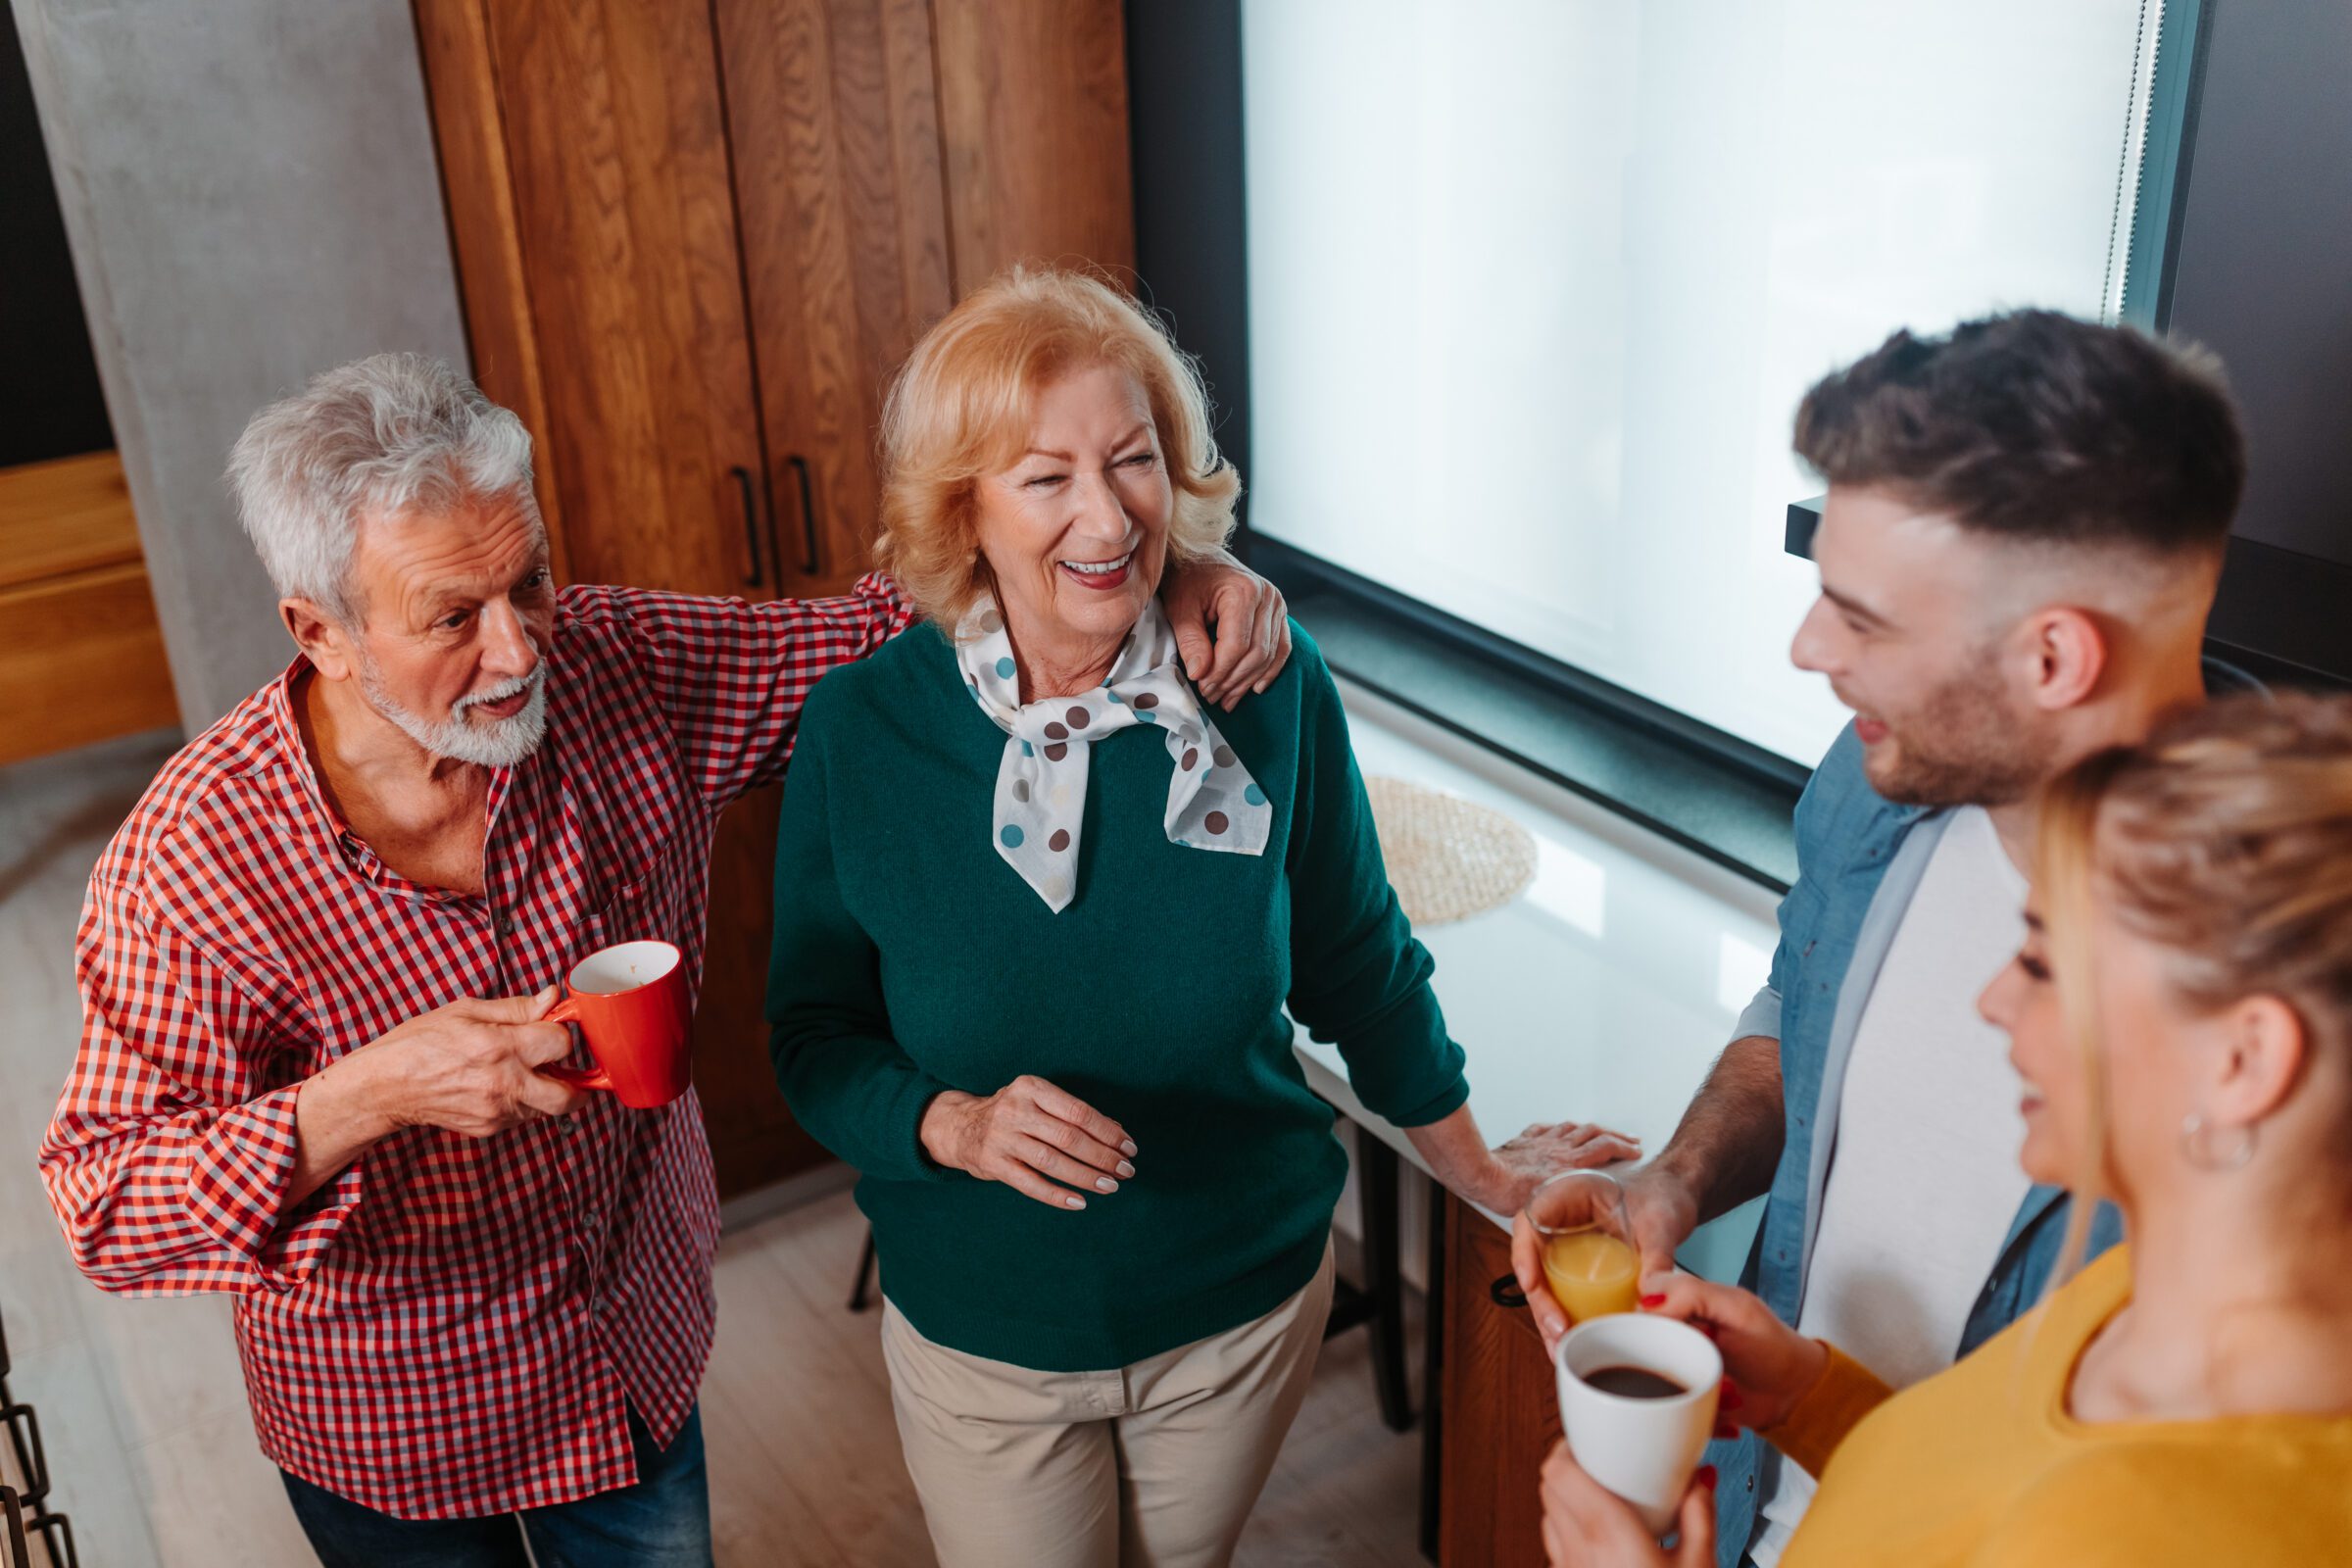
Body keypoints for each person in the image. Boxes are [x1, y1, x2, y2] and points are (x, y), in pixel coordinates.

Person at [36, 352, 1291, 1565]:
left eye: (527, 582)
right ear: (320, 631)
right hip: (393, 1429)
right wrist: (370, 1092)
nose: (522, 650)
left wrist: (1162, 560)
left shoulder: (619, 666)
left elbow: (892, 616)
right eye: (452, 618)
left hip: (630, 1365)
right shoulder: (193, 860)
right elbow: (100, 1201)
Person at [765, 266, 1639, 1568]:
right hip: (989, 1336)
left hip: (1237, 1309)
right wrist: (949, 1123)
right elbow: (815, 1035)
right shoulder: (862, 735)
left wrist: (1487, 1174)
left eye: (1132, 461)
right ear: (967, 511)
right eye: (1043, 477)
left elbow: (1359, 961)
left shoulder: (1265, 688)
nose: (1107, 514)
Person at [1510, 309, 2250, 1564]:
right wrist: (1673, 1181)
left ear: (2055, 655)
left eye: (1864, 619)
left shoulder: (2270, 1003)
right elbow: (1793, 1023)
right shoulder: (1878, 780)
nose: (1808, 650)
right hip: (1773, 1507)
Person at [1538, 692, 2352, 1566]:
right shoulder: (2131, 1296)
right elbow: (1969, 1501)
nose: (1993, 999)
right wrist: (1810, 1395)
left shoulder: (2153, 1528)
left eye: (2043, 959)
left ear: (2245, 1057)